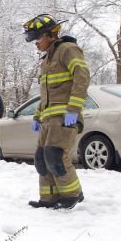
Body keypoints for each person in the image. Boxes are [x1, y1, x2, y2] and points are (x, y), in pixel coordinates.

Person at [23, 14, 89, 210]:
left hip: (64, 117)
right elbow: (46, 94)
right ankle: (49, 199)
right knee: (42, 158)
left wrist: (73, 110)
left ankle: (72, 195)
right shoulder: (47, 60)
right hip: (48, 118)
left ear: (50, 35)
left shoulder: (68, 50)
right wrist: (37, 116)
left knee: (55, 155)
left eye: (38, 38)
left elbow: (82, 77)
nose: (36, 43)